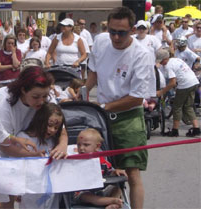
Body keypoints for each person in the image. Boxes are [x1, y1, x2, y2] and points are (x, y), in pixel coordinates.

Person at [86, 7, 152, 209]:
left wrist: (104, 106)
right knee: (106, 169)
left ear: (132, 30)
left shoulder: (142, 54)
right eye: (112, 31)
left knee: (132, 172)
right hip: (103, 118)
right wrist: (81, 92)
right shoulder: (101, 42)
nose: (115, 36)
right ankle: (112, 202)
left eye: (121, 32)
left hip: (128, 118)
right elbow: (94, 73)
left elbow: (136, 97)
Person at [0, 66, 68, 208]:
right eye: (35, 97)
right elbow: (4, 144)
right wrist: (33, 155)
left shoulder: (47, 98)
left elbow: (61, 130)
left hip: (34, 150)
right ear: (23, 90)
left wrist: (62, 146)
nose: (41, 101)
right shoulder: (3, 103)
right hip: (6, 152)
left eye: (44, 96)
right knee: (7, 195)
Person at [17, 103, 65, 209]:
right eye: (49, 125)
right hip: (30, 191)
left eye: (56, 127)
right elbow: (17, 165)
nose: (52, 130)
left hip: (51, 192)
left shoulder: (53, 141)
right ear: (39, 120)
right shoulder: (23, 138)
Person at [74, 128, 127, 209]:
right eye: (79, 145)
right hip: (82, 193)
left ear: (97, 146)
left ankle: (112, 204)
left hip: (100, 190)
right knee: (86, 196)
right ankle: (111, 201)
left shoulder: (101, 160)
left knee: (117, 188)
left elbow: (108, 171)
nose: (81, 148)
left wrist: (115, 172)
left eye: (86, 145)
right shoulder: (74, 160)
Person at [156, 48, 200, 137]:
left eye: (161, 62)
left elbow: (172, 83)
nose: (160, 64)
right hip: (194, 82)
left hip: (185, 85)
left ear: (165, 59)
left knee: (177, 107)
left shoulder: (168, 66)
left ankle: (175, 130)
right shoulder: (176, 59)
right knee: (188, 106)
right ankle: (196, 128)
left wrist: (161, 92)